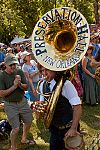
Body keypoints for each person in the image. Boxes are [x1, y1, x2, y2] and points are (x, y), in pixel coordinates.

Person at [38, 66, 82, 150]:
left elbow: (77, 107)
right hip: (54, 129)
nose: (44, 73)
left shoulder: (66, 84)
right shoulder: (42, 85)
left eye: (47, 70)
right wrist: (37, 107)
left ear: (55, 70)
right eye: (42, 70)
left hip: (68, 129)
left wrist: (73, 128)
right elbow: (42, 104)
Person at [0, 54, 35, 150]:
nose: (13, 66)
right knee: (15, 129)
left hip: (22, 101)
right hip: (10, 104)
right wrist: (14, 86)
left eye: (14, 64)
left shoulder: (19, 71)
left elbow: (26, 87)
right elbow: (1, 94)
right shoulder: (2, 76)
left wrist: (19, 84)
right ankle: (13, 147)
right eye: (11, 64)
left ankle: (24, 139)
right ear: (6, 65)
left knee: (28, 121)